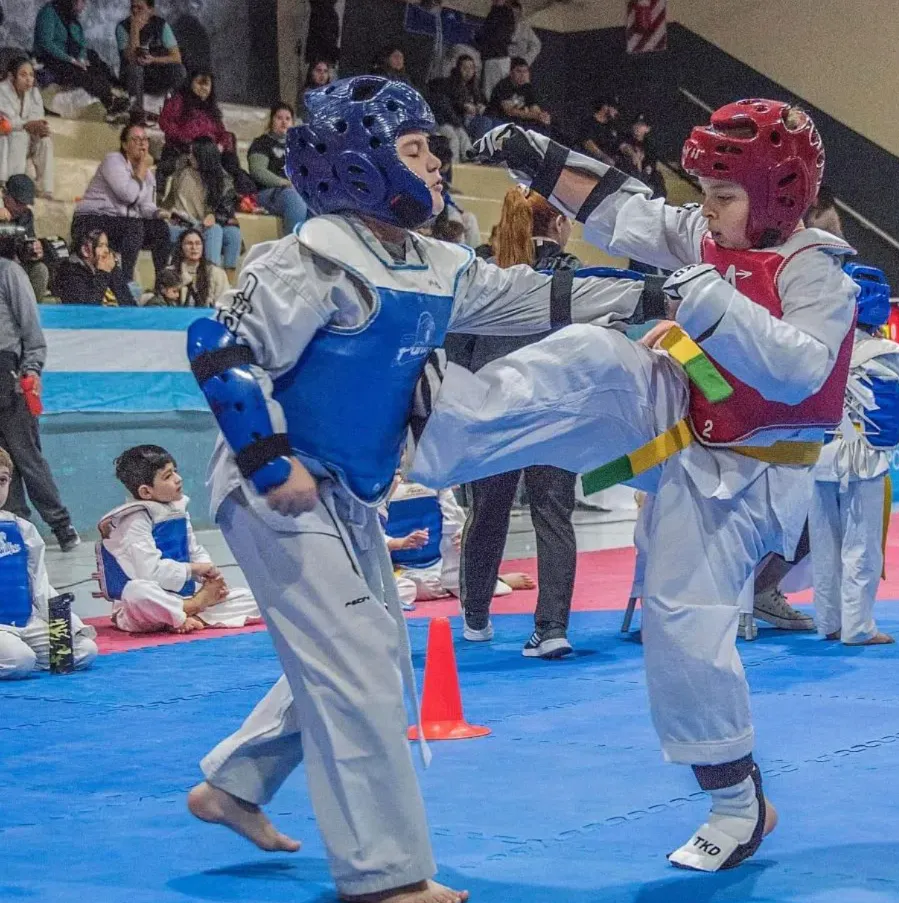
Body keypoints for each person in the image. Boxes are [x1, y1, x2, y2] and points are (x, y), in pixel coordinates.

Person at [182, 75, 668, 903]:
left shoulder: (434, 263)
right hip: (275, 489)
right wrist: (270, 460)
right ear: (359, 166)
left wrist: (657, 292)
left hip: (347, 492)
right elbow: (219, 351)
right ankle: (383, 878)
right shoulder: (308, 259)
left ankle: (233, 783)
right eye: (415, 151)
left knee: (366, 648)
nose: (436, 166)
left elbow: (532, 296)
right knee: (360, 655)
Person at [428, 98, 858, 870]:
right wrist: (542, 157)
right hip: (687, 420)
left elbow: (800, 367)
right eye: (707, 195)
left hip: (757, 475)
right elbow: (629, 210)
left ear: (776, 197)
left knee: (681, 621)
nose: (708, 213)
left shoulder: (817, 272)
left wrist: (714, 301)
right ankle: (436, 424)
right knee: (591, 355)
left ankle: (738, 799)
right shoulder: (704, 235)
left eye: (725, 197)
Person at [445, 186, 580, 657]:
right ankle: (552, 628)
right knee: (553, 515)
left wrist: (456, 413)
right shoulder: (571, 276)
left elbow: (457, 348)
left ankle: (477, 616)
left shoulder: (482, 275)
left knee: (487, 514)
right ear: (559, 226)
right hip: (551, 410)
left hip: (491, 406)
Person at [809, 264, 899, 646]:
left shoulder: (817, 347)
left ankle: (829, 622)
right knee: (862, 544)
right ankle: (858, 627)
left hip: (818, 457)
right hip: (865, 459)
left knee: (824, 544)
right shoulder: (888, 353)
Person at [97, 444, 260, 634]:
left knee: (255, 599)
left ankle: (186, 616)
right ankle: (193, 607)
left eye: (175, 471)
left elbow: (194, 551)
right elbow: (149, 573)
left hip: (179, 598)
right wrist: (195, 575)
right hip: (144, 612)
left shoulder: (178, 510)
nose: (178, 479)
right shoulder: (134, 520)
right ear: (145, 492)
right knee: (136, 592)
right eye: (168, 476)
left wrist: (210, 576)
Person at [0, 256, 79, 550]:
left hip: (10, 375)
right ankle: (16, 525)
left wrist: (31, 370)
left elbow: (31, 331)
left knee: (27, 457)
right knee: (2, 464)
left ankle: (61, 525)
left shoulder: (8, 272)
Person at [0, 448, 98, 678]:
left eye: (2, 480)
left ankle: (19, 657)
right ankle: (17, 659)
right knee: (20, 660)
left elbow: (40, 585)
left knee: (84, 651)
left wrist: (69, 626)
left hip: (27, 621)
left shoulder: (22, 529)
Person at [383, 474, 531, 608]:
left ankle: (491, 579)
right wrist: (401, 543)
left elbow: (454, 518)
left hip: (439, 563)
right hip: (401, 568)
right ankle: (487, 579)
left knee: (466, 585)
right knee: (411, 589)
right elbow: (373, 534)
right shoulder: (381, 486)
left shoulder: (437, 481)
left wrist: (463, 536)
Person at [72, 123, 172, 284]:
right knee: (134, 226)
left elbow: (146, 206)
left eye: (145, 139)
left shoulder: (147, 174)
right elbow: (128, 195)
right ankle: (126, 281)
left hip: (121, 224)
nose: (142, 143)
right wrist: (141, 169)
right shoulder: (113, 161)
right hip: (92, 219)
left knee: (160, 229)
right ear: (125, 145)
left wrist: (157, 213)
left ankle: (164, 283)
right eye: (136, 139)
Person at [157, 70, 249, 199]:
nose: (204, 88)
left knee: (230, 139)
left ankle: (241, 192)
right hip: (184, 148)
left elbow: (222, 133)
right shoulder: (179, 101)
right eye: (200, 83)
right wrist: (187, 141)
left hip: (211, 151)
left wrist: (220, 146)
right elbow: (165, 122)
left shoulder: (211, 109)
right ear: (191, 83)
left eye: (207, 84)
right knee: (205, 147)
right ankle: (219, 197)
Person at [33, 0, 130, 121]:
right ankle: (109, 101)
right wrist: (71, 60)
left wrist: (82, 58)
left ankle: (116, 91)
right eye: (82, 1)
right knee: (81, 73)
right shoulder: (49, 12)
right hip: (51, 59)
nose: (84, 6)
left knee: (93, 58)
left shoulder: (71, 18)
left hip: (70, 59)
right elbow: (46, 43)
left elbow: (82, 43)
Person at [164, 135, 242, 275]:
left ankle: (225, 284)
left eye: (193, 154)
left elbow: (226, 210)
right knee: (215, 230)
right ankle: (211, 278)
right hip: (184, 223)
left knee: (233, 234)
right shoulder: (185, 174)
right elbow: (174, 206)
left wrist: (214, 218)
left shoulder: (222, 179)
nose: (189, 157)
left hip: (209, 222)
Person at [116, 0, 186, 120]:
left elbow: (176, 57)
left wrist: (153, 59)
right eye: (133, 7)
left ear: (151, 10)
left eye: (140, 8)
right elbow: (131, 58)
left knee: (179, 70)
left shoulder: (161, 25)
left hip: (154, 73)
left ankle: (171, 109)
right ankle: (137, 113)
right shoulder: (122, 27)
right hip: (132, 75)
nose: (135, 11)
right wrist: (134, 29)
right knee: (135, 69)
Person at [247, 103, 309, 237]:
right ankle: (291, 248)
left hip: (292, 191)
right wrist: (285, 183)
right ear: (271, 121)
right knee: (294, 198)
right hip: (267, 193)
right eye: (279, 118)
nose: (284, 122)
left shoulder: (297, 147)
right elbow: (258, 171)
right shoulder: (262, 143)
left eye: (288, 119)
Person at [0, 56, 54, 199]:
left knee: (45, 140)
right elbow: (7, 121)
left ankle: (44, 189)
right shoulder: (2, 91)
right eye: (23, 75)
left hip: (26, 136)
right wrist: (26, 125)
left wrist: (39, 127)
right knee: (19, 135)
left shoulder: (34, 92)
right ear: (12, 76)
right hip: (6, 139)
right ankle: (12, 187)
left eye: (31, 75)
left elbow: (37, 116)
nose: (29, 79)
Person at [52, 227, 134, 306]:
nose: (106, 251)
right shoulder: (69, 273)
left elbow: (130, 306)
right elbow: (88, 310)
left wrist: (115, 273)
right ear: (85, 250)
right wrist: (103, 274)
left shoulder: (109, 269)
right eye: (101, 245)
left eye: (106, 245)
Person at [0, 174, 49, 303]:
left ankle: (30, 314)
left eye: (24, 204)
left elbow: (23, 245)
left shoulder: (25, 216)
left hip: (13, 265)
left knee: (40, 270)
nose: (20, 208)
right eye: (17, 203)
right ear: (5, 194)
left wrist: (33, 251)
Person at [486, 57, 550, 131]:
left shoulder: (527, 87)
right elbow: (510, 111)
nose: (522, 75)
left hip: (518, 122)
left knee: (544, 127)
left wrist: (542, 116)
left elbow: (534, 107)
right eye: (519, 71)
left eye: (525, 71)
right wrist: (535, 115)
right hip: (499, 120)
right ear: (511, 73)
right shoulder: (503, 85)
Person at [169, 228, 229, 307]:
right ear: (181, 247)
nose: (194, 247)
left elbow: (225, 304)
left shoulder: (216, 273)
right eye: (189, 243)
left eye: (198, 243)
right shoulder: (170, 273)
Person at [615, 114, 667, 200]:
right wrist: (633, 155)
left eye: (642, 125)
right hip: (623, 173)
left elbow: (650, 168)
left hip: (641, 178)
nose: (637, 127)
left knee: (657, 178)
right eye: (637, 124)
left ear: (647, 129)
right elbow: (623, 147)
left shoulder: (650, 146)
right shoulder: (625, 136)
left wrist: (641, 168)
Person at [477, 0, 515, 99]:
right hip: (497, 58)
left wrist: (480, 40)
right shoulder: (498, 12)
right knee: (498, 94)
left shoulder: (504, 12)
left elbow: (496, 36)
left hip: (495, 58)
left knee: (492, 94)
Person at [578, 96, 622, 167]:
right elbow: (586, 142)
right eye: (614, 108)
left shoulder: (610, 127)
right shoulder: (589, 121)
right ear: (605, 107)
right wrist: (603, 156)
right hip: (585, 162)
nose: (616, 112)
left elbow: (618, 145)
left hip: (603, 167)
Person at [508, 0, 541, 68]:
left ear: (520, 15)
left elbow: (537, 45)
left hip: (520, 63)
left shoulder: (525, 28)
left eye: (517, 14)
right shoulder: (500, 27)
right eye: (512, 13)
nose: (515, 17)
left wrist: (526, 60)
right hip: (504, 63)